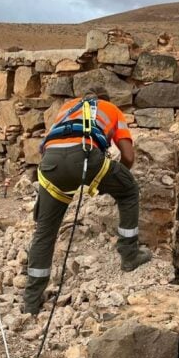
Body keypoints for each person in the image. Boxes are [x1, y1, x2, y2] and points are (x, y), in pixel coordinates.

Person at [23, 84, 152, 315]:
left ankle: (31, 301)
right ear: (106, 98)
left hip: (50, 165)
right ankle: (129, 255)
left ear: (83, 97)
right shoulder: (111, 109)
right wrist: (113, 180)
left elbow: (53, 144)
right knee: (129, 191)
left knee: (45, 230)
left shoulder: (67, 108)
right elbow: (128, 156)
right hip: (85, 156)